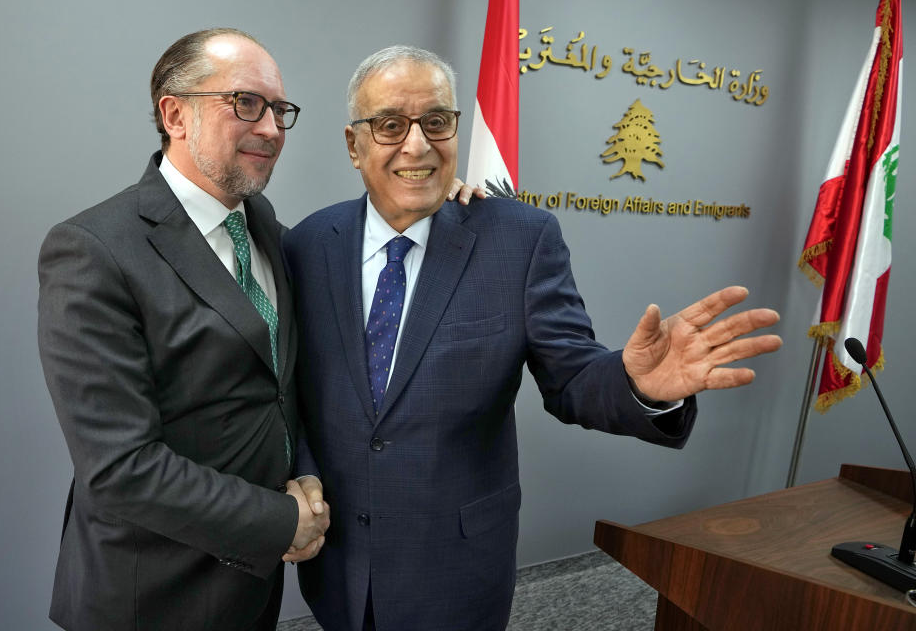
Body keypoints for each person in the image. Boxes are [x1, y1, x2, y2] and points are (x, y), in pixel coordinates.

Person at [283, 45, 782, 631]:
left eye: (436, 122)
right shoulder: (309, 244)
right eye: (390, 125)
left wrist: (638, 384)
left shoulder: (519, 240)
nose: (416, 145)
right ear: (354, 144)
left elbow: (571, 377)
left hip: (456, 566)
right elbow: (295, 389)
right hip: (341, 558)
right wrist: (304, 474)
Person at [37, 28, 332, 630]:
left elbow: (273, 386)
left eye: (280, 110)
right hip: (150, 594)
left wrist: (300, 473)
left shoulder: (262, 224)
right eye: (246, 103)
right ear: (175, 114)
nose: (272, 129)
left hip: (249, 583)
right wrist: (280, 521)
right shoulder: (93, 249)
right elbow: (120, 467)